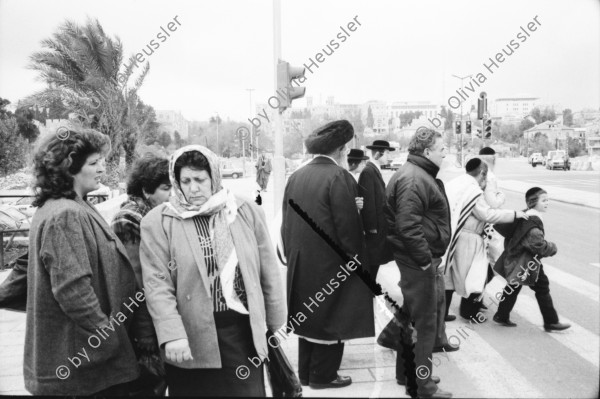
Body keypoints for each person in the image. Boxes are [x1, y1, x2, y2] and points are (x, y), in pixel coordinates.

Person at [139, 145, 286, 397]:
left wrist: (275, 322)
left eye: (200, 180)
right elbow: (157, 284)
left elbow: (267, 271)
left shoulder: (244, 211)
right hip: (190, 338)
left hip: (242, 334)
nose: (193, 188)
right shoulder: (159, 222)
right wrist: (172, 335)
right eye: (185, 181)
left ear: (214, 178)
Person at [25, 127, 140, 396]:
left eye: (102, 160)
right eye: (93, 162)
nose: (102, 168)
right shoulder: (65, 214)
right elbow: (72, 289)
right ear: (69, 167)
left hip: (84, 358)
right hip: (82, 363)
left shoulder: (69, 206)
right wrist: (107, 337)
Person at [281, 120, 374, 390]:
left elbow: (287, 223)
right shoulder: (339, 176)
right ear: (342, 149)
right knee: (333, 319)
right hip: (331, 265)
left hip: (301, 261)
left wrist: (291, 255)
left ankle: (307, 375)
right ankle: (324, 376)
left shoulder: (296, 176)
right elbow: (347, 228)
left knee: (308, 319)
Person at [385, 128, 452, 398]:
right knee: (425, 325)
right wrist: (425, 260)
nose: (445, 152)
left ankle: (408, 374)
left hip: (414, 258)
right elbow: (407, 226)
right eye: (441, 148)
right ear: (427, 152)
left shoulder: (416, 173)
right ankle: (423, 387)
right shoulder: (415, 178)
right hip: (417, 260)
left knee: (412, 318)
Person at [110, 153, 172, 396]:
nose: (172, 195)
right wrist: (145, 334)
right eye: (166, 188)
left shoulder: (151, 214)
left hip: (155, 319)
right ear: (146, 190)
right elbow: (138, 281)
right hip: (142, 328)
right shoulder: (131, 218)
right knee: (149, 386)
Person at [442, 158, 527, 323]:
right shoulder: (472, 189)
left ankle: (444, 313)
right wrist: (514, 214)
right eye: (484, 176)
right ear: (482, 173)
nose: (484, 180)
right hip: (469, 238)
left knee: (450, 275)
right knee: (476, 275)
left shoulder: (457, 183)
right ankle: (469, 313)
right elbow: (486, 214)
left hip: (455, 234)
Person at [493, 187, 571, 332]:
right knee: (541, 287)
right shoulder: (533, 223)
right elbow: (538, 246)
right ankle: (551, 322)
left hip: (519, 259)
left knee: (513, 287)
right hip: (526, 262)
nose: (547, 203)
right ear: (533, 201)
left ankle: (501, 315)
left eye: (548, 200)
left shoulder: (526, 214)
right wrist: (552, 247)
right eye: (544, 200)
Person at [360, 140, 394, 279]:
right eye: (386, 153)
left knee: (375, 261)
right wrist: (371, 227)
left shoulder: (373, 170)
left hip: (378, 225)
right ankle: (368, 292)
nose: (388, 157)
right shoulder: (368, 171)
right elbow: (368, 200)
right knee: (372, 261)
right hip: (374, 228)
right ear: (378, 154)